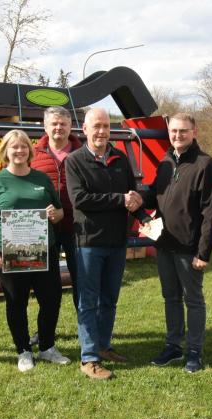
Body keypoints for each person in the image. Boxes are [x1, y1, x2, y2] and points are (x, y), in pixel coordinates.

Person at [65, 108, 150, 380]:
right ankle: (88, 358)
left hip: (117, 242)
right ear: (85, 130)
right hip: (88, 242)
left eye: (105, 126)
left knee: (110, 299)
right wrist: (119, 200)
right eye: (96, 126)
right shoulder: (74, 161)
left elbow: (131, 197)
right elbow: (80, 199)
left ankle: (103, 346)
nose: (101, 131)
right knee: (88, 301)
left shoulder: (120, 158)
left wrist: (143, 216)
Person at [0, 129, 71, 372]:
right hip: (11, 253)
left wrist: (54, 215)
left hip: (44, 251)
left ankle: (47, 347)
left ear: (30, 151)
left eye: (23, 147)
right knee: (16, 302)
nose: (19, 151)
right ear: (5, 151)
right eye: (14, 147)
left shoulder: (41, 179)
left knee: (51, 300)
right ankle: (23, 351)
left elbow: (60, 212)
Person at [140, 112, 212, 373]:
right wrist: (137, 197)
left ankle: (194, 351)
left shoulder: (206, 165)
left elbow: (211, 214)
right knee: (170, 297)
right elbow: (155, 196)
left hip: (190, 249)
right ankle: (173, 346)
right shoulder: (165, 162)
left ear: (194, 132)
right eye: (174, 131)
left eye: (183, 131)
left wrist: (204, 252)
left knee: (193, 300)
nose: (178, 135)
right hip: (165, 245)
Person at [28, 106, 83, 346]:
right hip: (43, 232)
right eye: (54, 124)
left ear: (71, 126)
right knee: (46, 289)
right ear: (45, 127)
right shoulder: (33, 154)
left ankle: (87, 333)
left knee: (82, 283)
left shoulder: (84, 153)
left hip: (77, 229)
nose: (58, 128)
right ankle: (44, 332)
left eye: (63, 124)